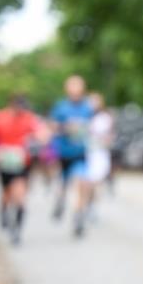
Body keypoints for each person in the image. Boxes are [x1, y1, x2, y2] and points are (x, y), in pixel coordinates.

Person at [0, 95, 46, 245]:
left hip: (22, 163)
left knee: (20, 196)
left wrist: (35, 141)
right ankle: (3, 210)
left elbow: (43, 134)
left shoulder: (29, 118)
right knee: (6, 193)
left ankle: (16, 230)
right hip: (5, 163)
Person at [50, 75, 94, 229]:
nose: (75, 90)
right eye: (72, 86)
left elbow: (92, 127)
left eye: (78, 86)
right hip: (64, 152)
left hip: (80, 152)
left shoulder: (88, 107)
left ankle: (78, 214)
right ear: (67, 89)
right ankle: (60, 201)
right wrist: (66, 127)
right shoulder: (61, 106)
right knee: (64, 183)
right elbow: (53, 126)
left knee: (82, 183)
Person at [75, 92, 115, 237]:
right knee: (86, 183)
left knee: (96, 183)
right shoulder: (83, 117)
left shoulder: (105, 118)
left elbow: (110, 136)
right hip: (86, 154)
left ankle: (92, 206)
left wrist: (104, 140)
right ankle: (84, 208)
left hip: (99, 154)